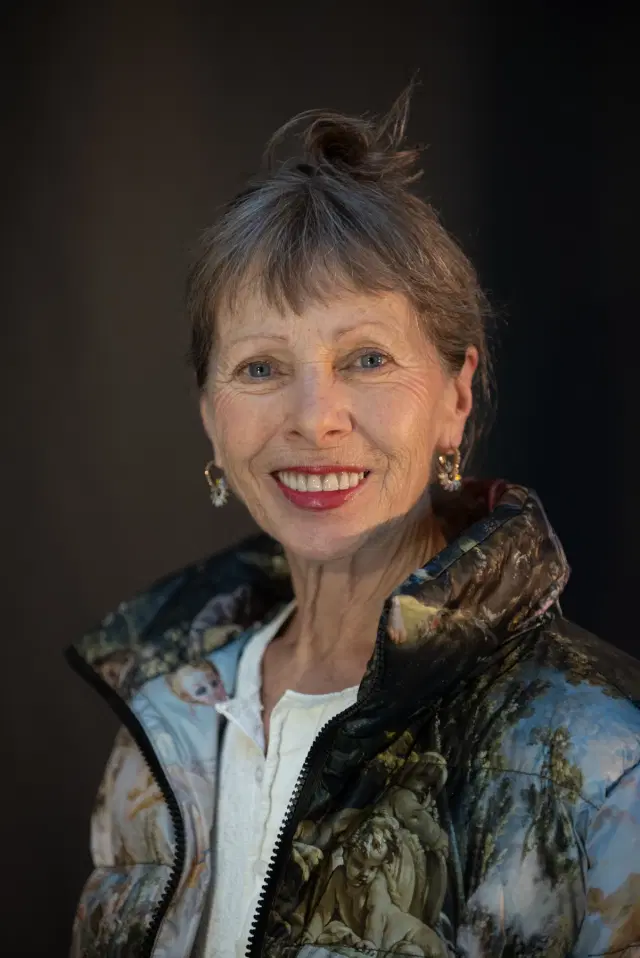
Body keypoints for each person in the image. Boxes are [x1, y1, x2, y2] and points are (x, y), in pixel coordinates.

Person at [67, 88, 640, 958]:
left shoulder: (600, 751)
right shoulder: (164, 711)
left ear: (455, 396)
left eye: (366, 359)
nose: (315, 416)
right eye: (261, 367)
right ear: (210, 417)